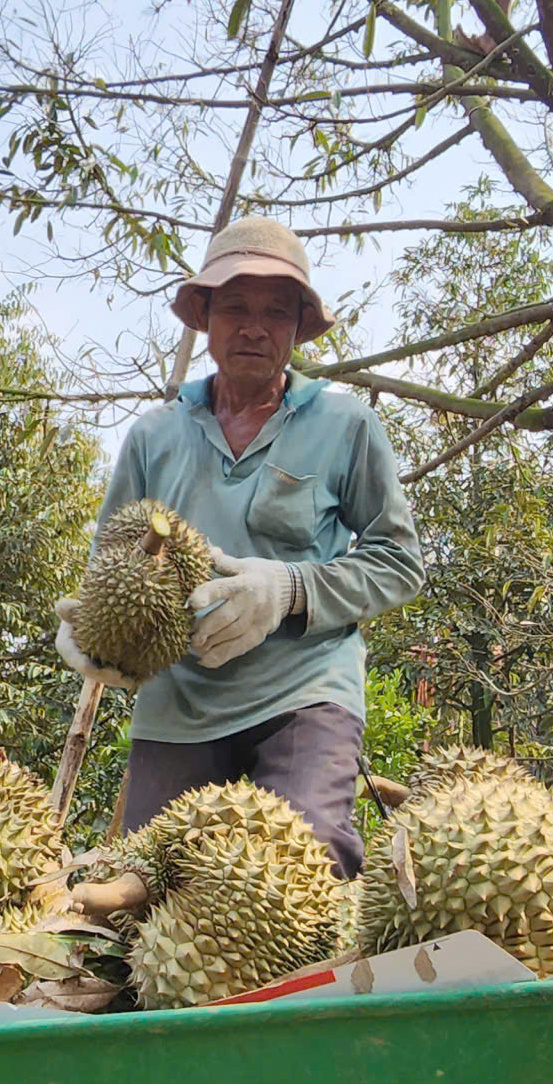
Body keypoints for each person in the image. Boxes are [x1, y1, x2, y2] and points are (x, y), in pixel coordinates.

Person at [55, 216, 425, 877]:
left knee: (309, 863)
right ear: (205, 318)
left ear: (296, 328)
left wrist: (290, 589)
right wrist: (94, 634)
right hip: (178, 703)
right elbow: (106, 565)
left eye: (275, 312)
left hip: (305, 689)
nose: (254, 326)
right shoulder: (154, 437)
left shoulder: (347, 426)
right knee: (146, 889)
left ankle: (318, 980)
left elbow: (399, 561)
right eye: (235, 307)